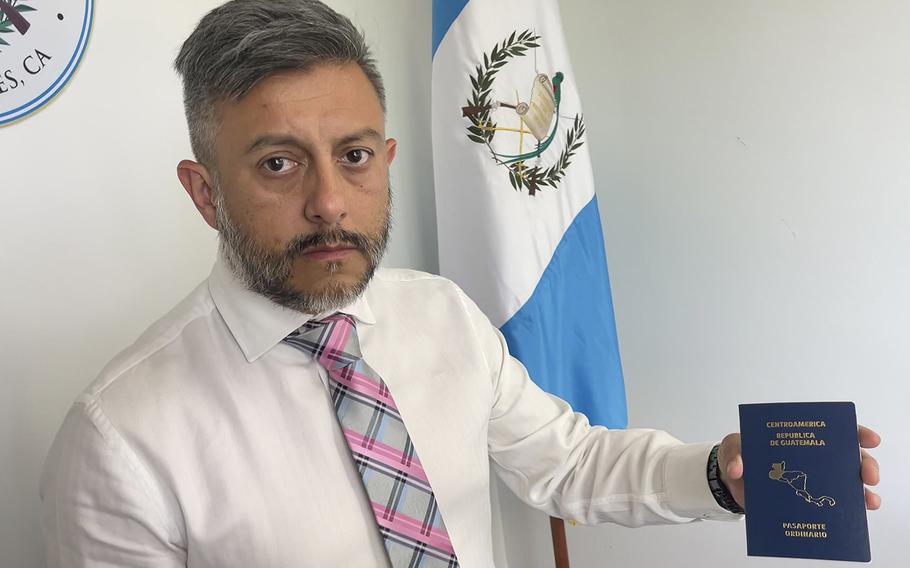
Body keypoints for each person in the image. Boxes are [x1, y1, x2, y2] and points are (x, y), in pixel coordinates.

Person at [39, 1, 881, 566]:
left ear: (387, 162)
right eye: (278, 163)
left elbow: (568, 461)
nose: (330, 201)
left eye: (355, 156)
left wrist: (716, 475)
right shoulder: (121, 440)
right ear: (204, 191)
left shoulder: (441, 313)